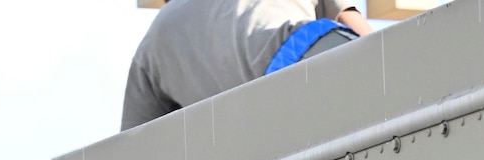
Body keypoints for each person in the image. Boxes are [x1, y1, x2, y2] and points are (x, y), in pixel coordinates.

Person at [122, 0, 368, 129]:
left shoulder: (153, 41)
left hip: (248, 127)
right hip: (306, 61)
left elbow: (137, 149)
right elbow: (373, 43)